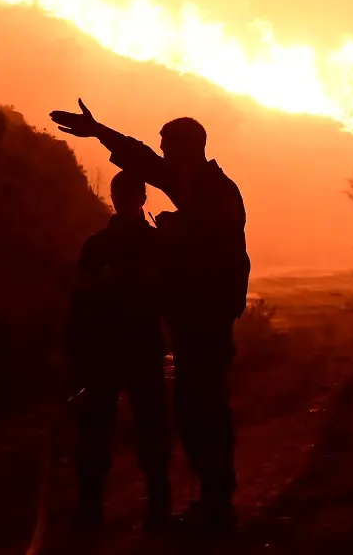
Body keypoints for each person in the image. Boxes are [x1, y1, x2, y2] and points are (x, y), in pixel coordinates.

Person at [51, 99, 250, 535]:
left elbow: (226, 256)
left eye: (167, 148)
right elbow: (142, 158)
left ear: (186, 149)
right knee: (192, 412)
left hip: (207, 322)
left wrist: (181, 234)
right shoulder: (191, 183)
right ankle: (209, 504)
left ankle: (216, 506)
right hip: (191, 323)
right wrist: (100, 130)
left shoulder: (216, 191)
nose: (160, 156)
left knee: (205, 412)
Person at [67, 171, 171, 530]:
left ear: (139, 198)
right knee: (117, 430)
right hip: (117, 349)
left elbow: (80, 302)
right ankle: (140, 508)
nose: (125, 200)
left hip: (124, 348)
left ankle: (144, 508)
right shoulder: (124, 245)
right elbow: (81, 302)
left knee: (138, 429)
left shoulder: (104, 245)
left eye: (128, 194)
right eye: (122, 195)